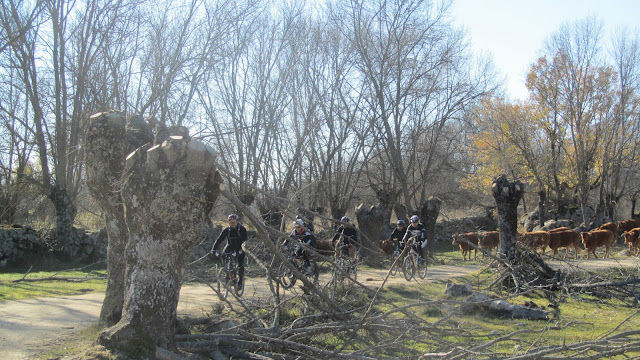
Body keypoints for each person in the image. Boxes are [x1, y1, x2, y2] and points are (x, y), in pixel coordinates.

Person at [211, 214, 248, 290]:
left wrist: (241, 251)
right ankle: (228, 274)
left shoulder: (242, 229)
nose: (232, 224)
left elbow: (245, 241)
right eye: (230, 223)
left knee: (240, 263)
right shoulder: (227, 230)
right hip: (230, 246)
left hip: (240, 247)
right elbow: (219, 240)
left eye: (234, 222)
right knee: (224, 256)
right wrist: (213, 249)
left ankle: (240, 281)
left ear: (237, 221)